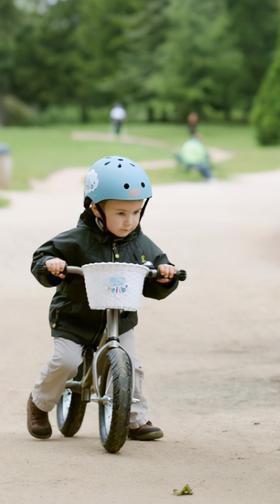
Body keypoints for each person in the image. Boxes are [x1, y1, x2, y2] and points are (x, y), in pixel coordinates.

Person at [27, 156, 179, 440]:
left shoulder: (141, 245)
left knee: (132, 364)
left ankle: (134, 419)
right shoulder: (76, 240)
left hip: (119, 321)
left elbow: (157, 270)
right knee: (66, 361)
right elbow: (42, 256)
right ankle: (39, 403)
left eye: (136, 213)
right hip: (75, 318)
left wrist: (164, 274)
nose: (129, 221)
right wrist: (52, 265)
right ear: (96, 208)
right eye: (120, 213)